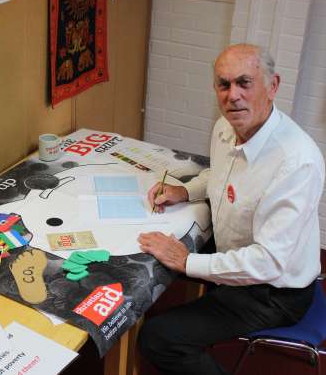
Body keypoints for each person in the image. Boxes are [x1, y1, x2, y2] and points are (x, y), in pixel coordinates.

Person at [137, 43, 325, 375]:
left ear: (272, 86)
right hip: (239, 250)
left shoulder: (298, 162)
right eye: (223, 84)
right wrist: (185, 190)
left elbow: (268, 263)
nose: (232, 95)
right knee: (153, 251)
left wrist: (187, 261)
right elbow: (220, 176)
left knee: (158, 337)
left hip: (272, 292)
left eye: (244, 83)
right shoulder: (226, 127)